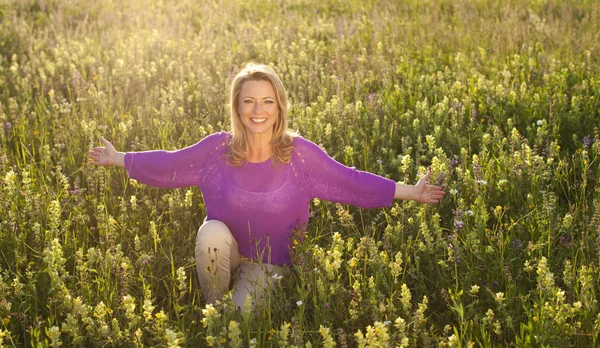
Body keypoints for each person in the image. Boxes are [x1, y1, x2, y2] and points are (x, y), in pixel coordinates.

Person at [88, 63, 445, 309]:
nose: (258, 110)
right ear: (238, 107)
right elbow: (171, 162)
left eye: (267, 101)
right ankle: (213, 306)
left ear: (279, 107)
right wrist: (120, 158)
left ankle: (228, 313)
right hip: (226, 250)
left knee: (239, 322)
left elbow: (348, 180)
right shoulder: (217, 150)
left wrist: (410, 191)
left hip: (271, 263)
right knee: (210, 233)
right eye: (249, 101)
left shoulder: (299, 156)